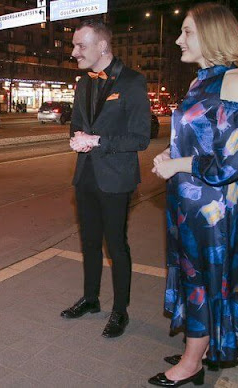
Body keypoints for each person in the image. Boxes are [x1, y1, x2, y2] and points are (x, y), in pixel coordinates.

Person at [149, 3, 238, 386]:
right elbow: (196, 141)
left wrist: (179, 166)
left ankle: (192, 362)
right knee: (191, 274)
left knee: (205, 277)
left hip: (213, 207)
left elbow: (233, 162)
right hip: (188, 203)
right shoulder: (202, 81)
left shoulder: (235, 81)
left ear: (212, 34)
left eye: (187, 32)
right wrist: (169, 154)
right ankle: (198, 348)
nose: (179, 39)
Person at [61, 19, 150, 339]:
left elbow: (140, 138)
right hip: (85, 175)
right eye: (73, 45)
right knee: (88, 243)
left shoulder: (133, 82)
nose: (74, 52)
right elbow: (76, 125)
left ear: (102, 46)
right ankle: (90, 299)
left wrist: (97, 141)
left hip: (115, 178)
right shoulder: (83, 83)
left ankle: (120, 311)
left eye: (80, 46)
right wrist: (77, 138)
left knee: (116, 245)